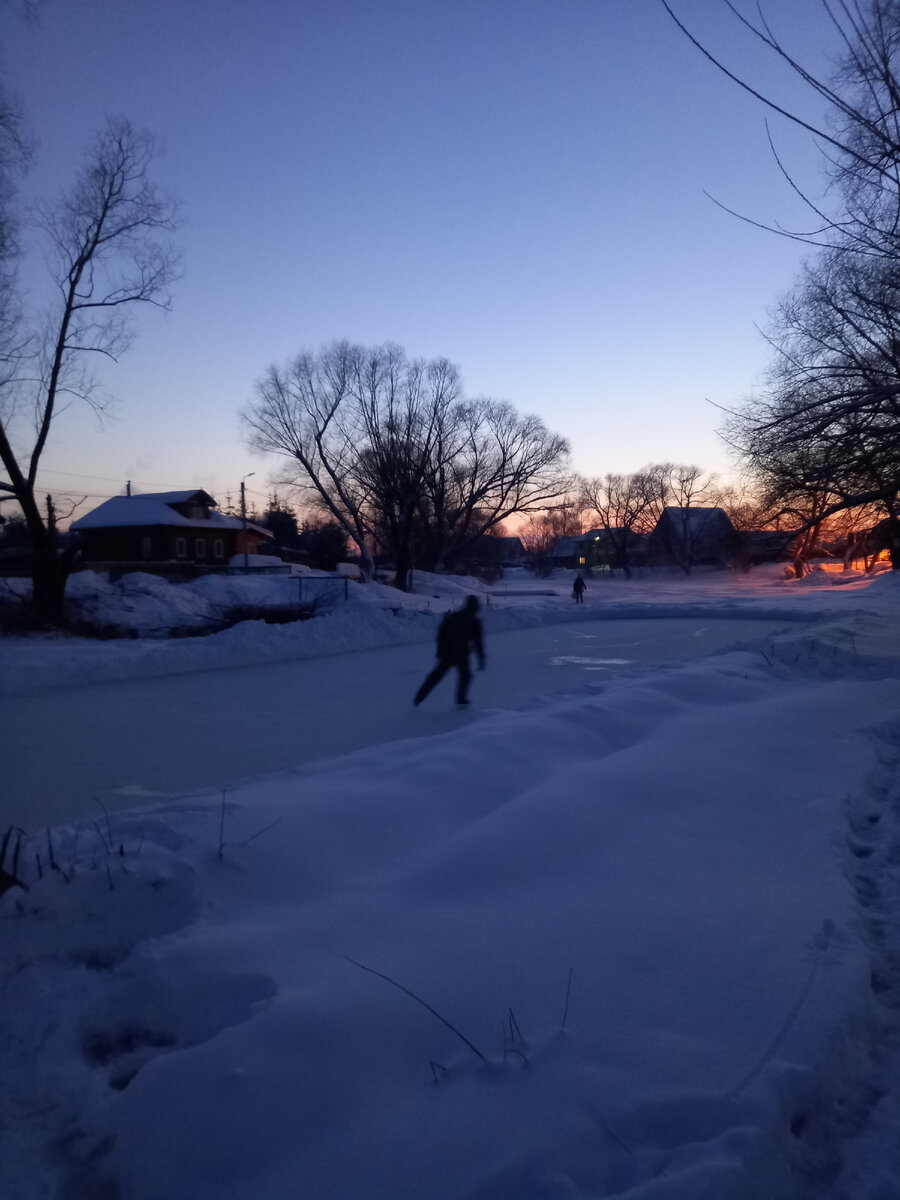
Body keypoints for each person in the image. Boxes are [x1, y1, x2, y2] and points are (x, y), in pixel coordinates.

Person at [413, 595, 485, 708]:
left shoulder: (454, 617)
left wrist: (440, 651)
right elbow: (478, 642)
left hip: (449, 651)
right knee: (464, 675)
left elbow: (441, 634)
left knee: (437, 675)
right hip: (460, 652)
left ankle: (419, 697)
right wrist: (481, 658)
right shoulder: (475, 621)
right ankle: (461, 699)